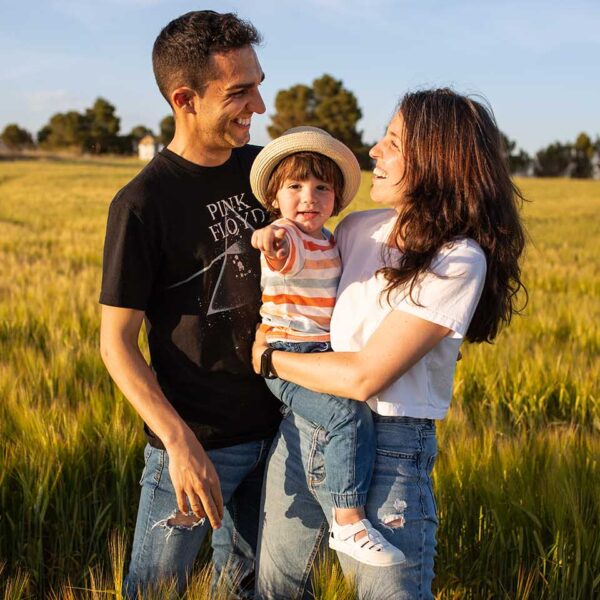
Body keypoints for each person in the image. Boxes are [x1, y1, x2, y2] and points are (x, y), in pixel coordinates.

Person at [253, 89, 526, 599]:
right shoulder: (354, 228)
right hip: (305, 425)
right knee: (275, 592)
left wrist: (270, 359)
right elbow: (295, 288)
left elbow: (365, 376)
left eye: (393, 142)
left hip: (388, 450)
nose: (374, 150)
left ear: (436, 160)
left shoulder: (457, 259)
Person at [99, 10, 281, 598]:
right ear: (185, 99)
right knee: (156, 592)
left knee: (246, 589)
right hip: (196, 444)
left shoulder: (264, 172)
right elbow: (116, 344)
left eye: (258, 85)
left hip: (280, 434)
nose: (258, 106)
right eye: (239, 92)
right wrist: (179, 445)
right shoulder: (142, 203)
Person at [249, 126, 406, 567]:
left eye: (322, 188)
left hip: (322, 355)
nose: (309, 198)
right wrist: (269, 240)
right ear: (274, 198)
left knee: (341, 417)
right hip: (290, 356)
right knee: (347, 416)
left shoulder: (330, 240)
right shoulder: (290, 236)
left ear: (336, 199)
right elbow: (276, 248)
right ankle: (348, 520)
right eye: (295, 187)